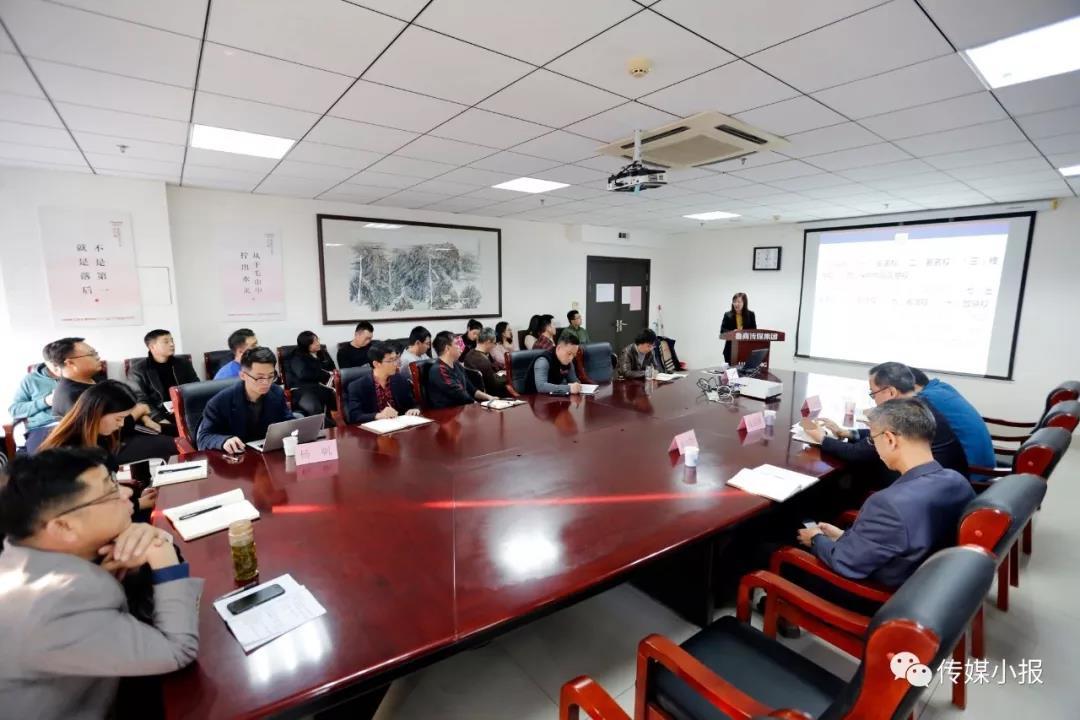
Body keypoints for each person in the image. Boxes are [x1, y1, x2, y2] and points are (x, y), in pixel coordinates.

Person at [0, 448, 202, 720]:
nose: (127, 493)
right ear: (63, 527)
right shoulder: (54, 605)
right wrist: (162, 555)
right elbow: (178, 652)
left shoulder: (22, 555)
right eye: (110, 492)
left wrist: (126, 569)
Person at [798, 398, 975, 587]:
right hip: (931, 582)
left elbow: (845, 562)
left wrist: (816, 539)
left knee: (783, 555)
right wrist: (844, 536)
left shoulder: (888, 504)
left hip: (880, 593)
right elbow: (901, 539)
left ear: (890, 439)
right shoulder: (958, 481)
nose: (874, 446)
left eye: (873, 439)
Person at [800, 362, 969, 485]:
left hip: (920, 487)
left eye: (873, 394)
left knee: (854, 470)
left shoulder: (897, 416)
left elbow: (856, 453)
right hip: (947, 482)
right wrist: (849, 433)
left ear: (891, 392)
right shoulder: (920, 405)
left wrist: (822, 438)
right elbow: (874, 439)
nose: (874, 399)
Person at [38, 381, 171, 521]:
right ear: (98, 412)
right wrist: (138, 504)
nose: (121, 424)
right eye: (119, 418)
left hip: (111, 509)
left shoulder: (99, 436)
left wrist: (135, 498)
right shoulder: (69, 452)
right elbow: (83, 508)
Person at [46, 338, 161, 434]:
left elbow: (126, 407)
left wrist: (145, 418)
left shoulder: (94, 379)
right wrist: (140, 410)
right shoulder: (72, 396)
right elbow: (107, 432)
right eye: (92, 354)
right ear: (70, 363)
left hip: (134, 428)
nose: (98, 357)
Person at [196, 347, 293, 452]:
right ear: (243, 375)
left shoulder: (277, 393)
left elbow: (288, 421)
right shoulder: (220, 402)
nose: (266, 382)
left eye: (270, 376)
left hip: (266, 452)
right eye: (259, 378)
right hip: (236, 456)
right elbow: (203, 438)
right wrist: (224, 441)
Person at [909, 366, 995, 472]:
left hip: (970, 470)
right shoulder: (941, 387)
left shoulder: (926, 397)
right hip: (985, 462)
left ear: (912, 386)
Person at [128, 329, 198, 434]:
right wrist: (159, 418)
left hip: (186, 411)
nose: (172, 344)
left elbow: (196, 387)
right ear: (152, 347)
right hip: (158, 415)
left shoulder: (183, 363)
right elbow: (140, 399)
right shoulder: (138, 370)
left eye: (172, 340)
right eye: (166, 342)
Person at [346, 341, 421, 423]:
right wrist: (379, 415)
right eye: (391, 360)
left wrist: (414, 409)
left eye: (396, 359)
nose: (396, 364)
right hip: (374, 428)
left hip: (400, 425)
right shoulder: (357, 386)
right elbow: (354, 416)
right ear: (376, 364)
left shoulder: (399, 379)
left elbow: (413, 403)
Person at [9, 346, 62, 454]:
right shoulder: (30, 380)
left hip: (75, 424)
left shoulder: (81, 376)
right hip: (43, 427)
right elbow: (15, 410)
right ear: (48, 363)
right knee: (44, 458)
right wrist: (46, 401)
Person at [427, 331, 495, 408]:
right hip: (447, 412)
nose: (460, 346)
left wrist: (489, 397)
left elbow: (471, 389)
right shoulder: (438, 370)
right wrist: (478, 405)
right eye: (456, 344)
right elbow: (459, 394)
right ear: (447, 348)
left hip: (462, 409)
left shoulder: (456, 364)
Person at [287, 331, 337, 425]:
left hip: (323, 386)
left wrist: (327, 374)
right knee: (315, 408)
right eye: (313, 342)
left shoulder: (323, 353)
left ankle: (332, 424)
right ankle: (327, 425)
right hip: (303, 390)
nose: (318, 343)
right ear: (305, 345)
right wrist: (324, 374)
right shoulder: (297, 356)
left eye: (317, 340)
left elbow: (332, 367)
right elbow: (304, 374)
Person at [463, 327, 511, 397]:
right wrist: (505, 375)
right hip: (490, 395)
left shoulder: (469, 354)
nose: (494, 346)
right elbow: (495, 384)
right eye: (494, 343)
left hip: (474, 392)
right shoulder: (483, 361)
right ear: (488, 342)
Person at [720, 292, 757, 364]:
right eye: (734, 302)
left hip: (746, 349)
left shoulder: (751, 315)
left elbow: (754, 332)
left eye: (739, 302)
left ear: (744, 303)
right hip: (731, 350)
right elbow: (722, 331)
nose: (736, 304)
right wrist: (733, 332)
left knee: (746, 370)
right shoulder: (728, 315)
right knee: (732, 370)